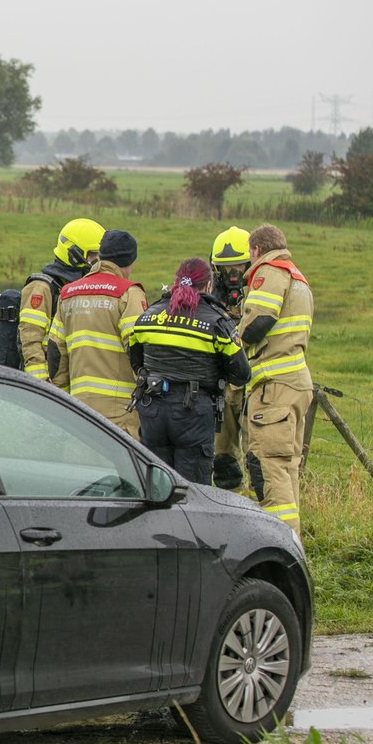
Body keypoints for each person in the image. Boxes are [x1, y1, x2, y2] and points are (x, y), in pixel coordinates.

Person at [128, 258, 250, 484]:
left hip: (151, 409)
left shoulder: (149, 316)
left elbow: (135, 359)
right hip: (193, 412)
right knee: (191, 492)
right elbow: (241, 373)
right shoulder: (216, 322)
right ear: (208, 286)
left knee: (155, 487)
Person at [239, 223, 314, 534]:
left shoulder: (268, 271)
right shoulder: (299, 277)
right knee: (287, 468)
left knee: (268, 468)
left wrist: (231, 344)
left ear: (257, 250)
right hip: (296, 383)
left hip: (274, 388)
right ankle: (293, 541)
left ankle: (280, 547)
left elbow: (259, 320)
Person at [50, 228, 147, 437]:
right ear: (130, 261)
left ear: (101, 255)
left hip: (78, 411)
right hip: (120, 417)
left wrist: (60, 400)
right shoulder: (129, 294)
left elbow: (56, 357)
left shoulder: (68, 293)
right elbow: (138, 351)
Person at [18, 218, 105, 382]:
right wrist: (40, 383)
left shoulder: (81, 287)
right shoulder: (41, 288)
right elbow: (30, 341)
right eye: (92, 255)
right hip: (49, 382)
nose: (97, 262)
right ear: (73, 253)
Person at [208, 226, 255, 491]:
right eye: (227, 268)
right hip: (221, 388)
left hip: (252, 385)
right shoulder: (210, 303)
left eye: (239, 267)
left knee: (257, 458)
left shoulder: (262, 295)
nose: (234, 275)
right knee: (224, 463)